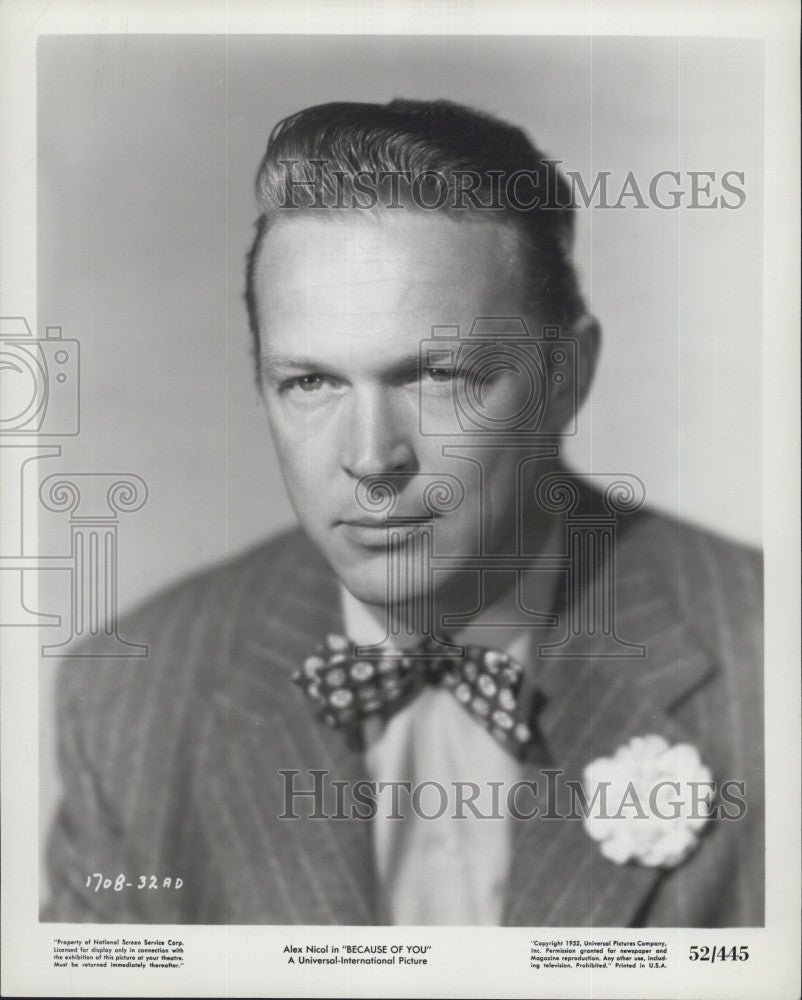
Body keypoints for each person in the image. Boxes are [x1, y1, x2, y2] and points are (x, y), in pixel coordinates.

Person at [42, 99, 763, 926]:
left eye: (437, 376)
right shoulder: (132, 699)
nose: (373, 458)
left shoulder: (767, 659)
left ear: (567, 375)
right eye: (310, 383)